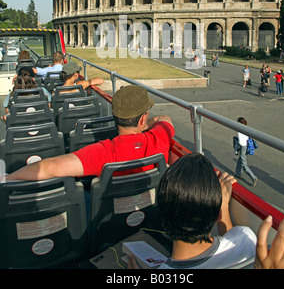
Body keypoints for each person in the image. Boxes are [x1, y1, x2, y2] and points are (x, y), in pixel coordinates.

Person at [2, 85, 174, 181]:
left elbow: (50, 167)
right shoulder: (159, 137)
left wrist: (7, 179)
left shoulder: (104, 152)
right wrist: (145, 127)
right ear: (143, 119)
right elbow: (164, 118)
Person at [130, 153, 256, 269]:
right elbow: (232, 241)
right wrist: (223, 206)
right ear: (218, 216)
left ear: (162, 212)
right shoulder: (247, 239)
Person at [234, 117, 258, 186]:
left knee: (243, 163)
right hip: (247, 146)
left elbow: (240, 142)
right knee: (240, 160)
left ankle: (253, 177)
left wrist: (236, 149)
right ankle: (238, 173)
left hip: (243, 147)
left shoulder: (240, 130)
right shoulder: (246, 128)